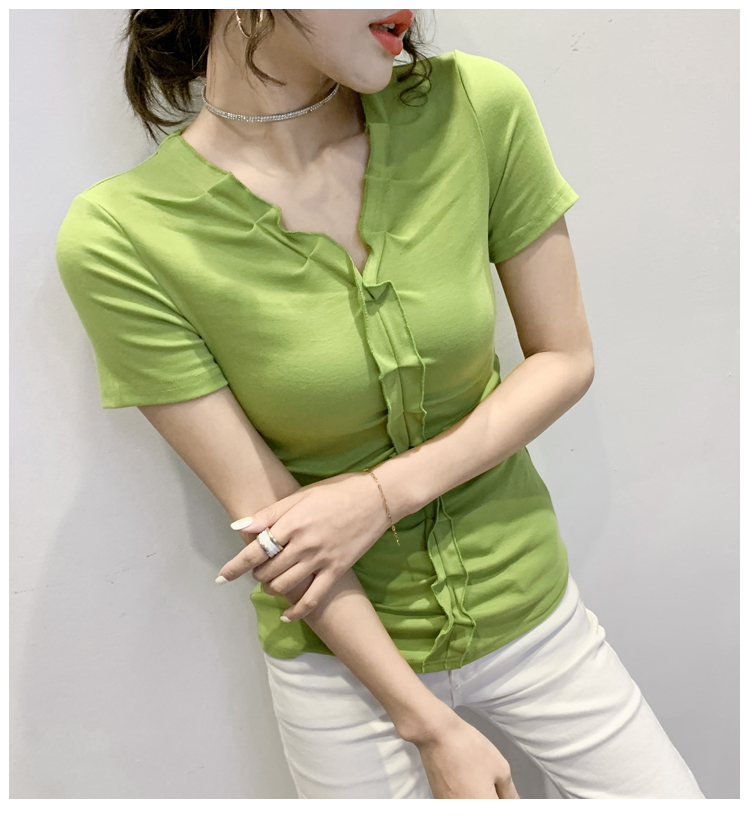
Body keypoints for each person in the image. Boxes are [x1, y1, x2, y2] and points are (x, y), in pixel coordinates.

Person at [54, 9, 705, 800]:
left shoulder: (476, 107)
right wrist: (425, 722)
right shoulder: (122, 236)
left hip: (532, 612)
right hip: (341, 664)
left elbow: (564, 358)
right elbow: (271, 524)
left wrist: (381, 494)